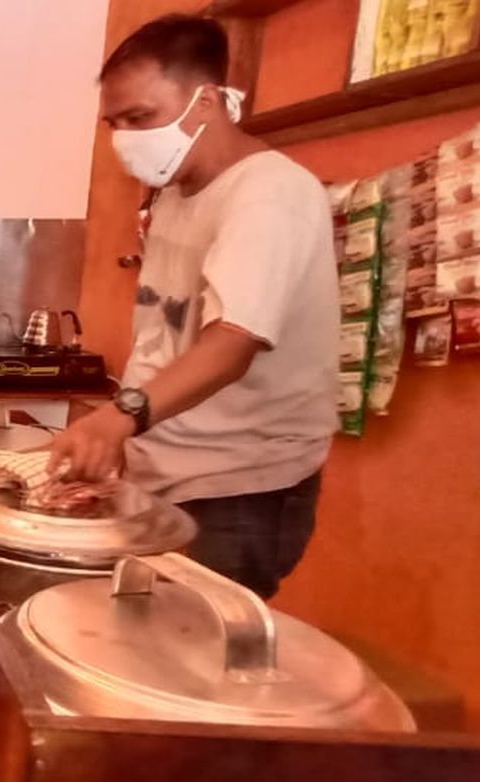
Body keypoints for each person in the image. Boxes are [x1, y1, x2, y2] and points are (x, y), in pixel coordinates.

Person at [49, 15, 339, 599]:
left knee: (191, 663)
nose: (126, 137)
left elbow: (232, 344)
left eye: (142, 117)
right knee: (140, 641)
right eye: (116, 122)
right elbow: (167, 335)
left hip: (236, 488)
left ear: (205, 100)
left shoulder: (270, 195)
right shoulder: (179, 193)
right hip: (167, 471)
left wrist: (120, 416)